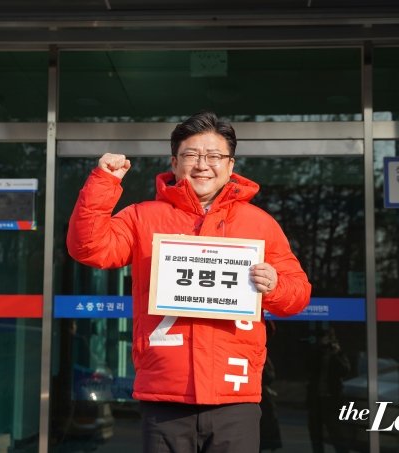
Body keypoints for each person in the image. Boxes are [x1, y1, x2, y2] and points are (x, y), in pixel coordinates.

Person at [67, 111, 312, 453]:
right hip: (165, 392)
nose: (202, 165)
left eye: (214, 156)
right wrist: (103, 183)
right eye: (191, 155)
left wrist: (275, 286)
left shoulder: (260, 224)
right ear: (174, 162)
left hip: (235, 393)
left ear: (230, 165)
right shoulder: (142, 217)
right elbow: (89, 248)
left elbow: (298, 295)